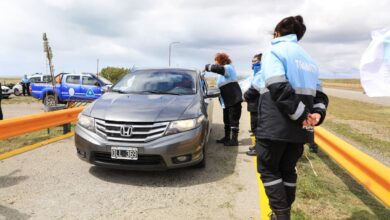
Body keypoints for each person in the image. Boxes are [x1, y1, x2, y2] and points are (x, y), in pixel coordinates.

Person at [253, 15, 329, 219]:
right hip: (300, 129)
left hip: (277, 125)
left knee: (268, 169)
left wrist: (301, 115)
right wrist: (316, 115)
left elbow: (277, 87)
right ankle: (284, 211)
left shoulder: (274, 51)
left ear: (277, 33)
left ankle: (281, 214)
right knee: (288, 169)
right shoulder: (309, 60)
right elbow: (320, 95)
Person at [205, 53, 243, 146]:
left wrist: (208, 67)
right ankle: (226, 138)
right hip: (226, 102)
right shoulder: (220, 75)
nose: (216, 64)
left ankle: (234, 141)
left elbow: (220, 69)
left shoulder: (229, 68)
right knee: (226, 120)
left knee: (233, 120)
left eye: (216, 62)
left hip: (234, 100)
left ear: (223, 61)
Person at [244, 53, 262, 156]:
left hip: (257, 105)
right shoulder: (255, 73)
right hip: (254, 104)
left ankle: (258, 149)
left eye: (255, 61)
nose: (253, 63)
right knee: (254, 127)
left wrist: (245, 96)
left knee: (257, 128)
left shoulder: (260, 73)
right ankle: (257, 146)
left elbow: (255, 89)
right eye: (252, 61)